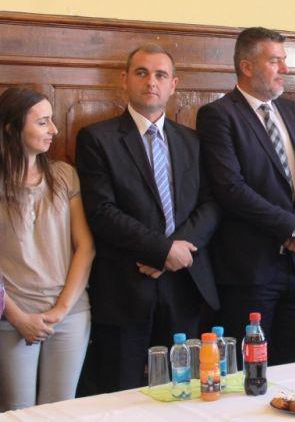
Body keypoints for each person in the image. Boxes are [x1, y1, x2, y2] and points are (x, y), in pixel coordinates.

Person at [76, 44, 221, 391]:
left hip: (184, 283)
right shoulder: (97, 139)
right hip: (125, 286)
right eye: (141, 72)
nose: (151, 81)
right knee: (121, 393)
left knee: (183, 391)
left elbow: (211, 204)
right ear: (125, 79)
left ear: (173, 84)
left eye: (160, 74)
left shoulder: (192, 141)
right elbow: (102, 212)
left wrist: (174, 252)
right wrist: (160, 250)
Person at [196, 27, 295, 364]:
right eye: (274, 61)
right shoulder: (219, 115)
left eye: (284, 60)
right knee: (250, 373)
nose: (284, 68)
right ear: (246, 66)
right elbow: (231, 189)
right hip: (251, 272)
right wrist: (293, 229)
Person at [0, 88, 95, 410]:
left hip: (69, 311)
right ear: (12, 128)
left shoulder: (64, 174)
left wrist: (61, 310)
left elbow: (85, 247)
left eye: (52, 120)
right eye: (42, 122)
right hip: (12, 316)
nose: (54, 129)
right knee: (18, 410)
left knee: (60, 408)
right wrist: (17, 316)